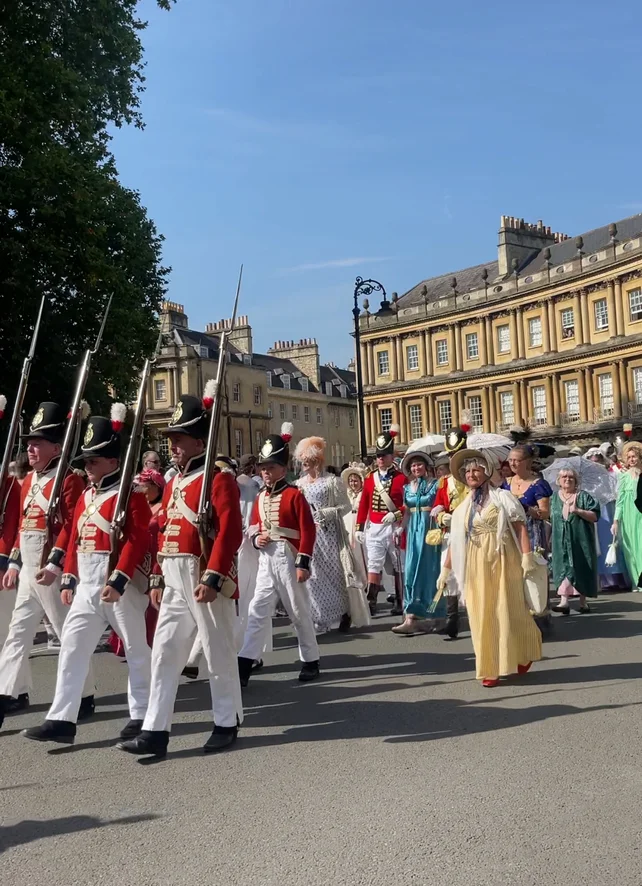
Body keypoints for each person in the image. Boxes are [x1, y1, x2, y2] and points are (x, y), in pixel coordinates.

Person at [118, 393, 244, 759]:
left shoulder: (218, 480)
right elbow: (165, 530)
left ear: (199, 441)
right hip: (173, 573)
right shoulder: (174, 482)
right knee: (165, 652)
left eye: (179, 438)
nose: (172, 445)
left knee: (218, 652)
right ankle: (155, 730)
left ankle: (226, 720)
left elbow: (229, 532)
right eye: (171, 438)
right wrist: (157, 576)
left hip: (201, 571)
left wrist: (214, 575)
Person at [23, 408, 153, 745]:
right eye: (87, 460)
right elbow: (71, 534)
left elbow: (138, 539)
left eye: (94, 461)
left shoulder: (131, 496)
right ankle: (61, 718)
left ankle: (142, 715)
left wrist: (119, 578)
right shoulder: (87, 495)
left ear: (112, 461)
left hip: (117, 587)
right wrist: (63, 573)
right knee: (72, 649)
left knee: (136, 651)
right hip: (86, 586)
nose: (87, 466)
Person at [0, 402, 95, 730]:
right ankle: (4, 693)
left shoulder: (68, 481)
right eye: (29, 442)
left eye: (38, 442)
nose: (31, 447)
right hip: (27, 568)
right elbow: (22, 526)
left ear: (56, 447)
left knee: (67, 634)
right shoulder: (27, 481)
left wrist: (56, 565)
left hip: (50, 571)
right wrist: (14, 563)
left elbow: (73, 527)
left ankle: (84, 695)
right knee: (16, 633)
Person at [438, 448, 542, 687]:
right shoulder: (463, 507)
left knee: (509, 608)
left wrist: (526, 556)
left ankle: (523, 650)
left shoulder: (502, 498)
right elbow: (456, 540)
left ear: (486, 472)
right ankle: (490, 667)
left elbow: (519, 528)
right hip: (475, 561)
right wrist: (446, 570)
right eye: (468, 471)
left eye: (476, 470)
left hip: (504, 557)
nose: (472, 474)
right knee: (480, 613)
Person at [237, 424, 320, 686]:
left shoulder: (294, 495)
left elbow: (307, 530)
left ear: (283, 469)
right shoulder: (261, 496)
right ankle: (244, 663)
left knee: (298, 611)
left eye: (271, 467)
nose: (266, 472)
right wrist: (255, 538)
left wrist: (303, 561)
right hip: (266, 558)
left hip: (288, 556)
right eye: (263, 468)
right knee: (257, 610)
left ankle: (310, 659)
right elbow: (254, 525)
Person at [295, 436, 353, 632]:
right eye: (301, 458)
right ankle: (317, 617)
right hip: (308, 535)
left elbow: (345, 506)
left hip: (328, 535)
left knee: (333, 575)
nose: (303, 462)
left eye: (306, 458)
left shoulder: (332, 482)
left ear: (316, 460)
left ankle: (343, 612)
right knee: (312, 577)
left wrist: (327, 513)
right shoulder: (299, 484)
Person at [355, 425, 406, 616]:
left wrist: (398, 515)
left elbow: (407, 503)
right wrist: (360, 527)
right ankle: (372, 601)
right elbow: (364, 504)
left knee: (398, 564)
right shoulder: (370, 479)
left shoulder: (402, 478)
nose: (380, 459)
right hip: (375, 527)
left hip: (394, 526)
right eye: (378, 456)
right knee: (374, 564)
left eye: (384, 455)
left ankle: (401, 600)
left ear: (392, 457)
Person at [392, 449, 444, 636]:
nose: (416, 467)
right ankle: (411, 616)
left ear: (426, 466)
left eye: (419, 464)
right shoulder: (407, 488)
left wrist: (440, 508)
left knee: (431, 571)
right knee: (411, 571)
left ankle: (437, 614)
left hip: (430, 528)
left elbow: (443, 502)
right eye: (413, 465)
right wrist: (400, 528)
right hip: (414, 529)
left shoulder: (436, 484)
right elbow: (407, 511)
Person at [431, 427, 470, 640]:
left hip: (473, 533)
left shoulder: (475, 476)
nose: (455, 459)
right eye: (452, 455)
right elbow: (437, 506)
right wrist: (441, 517)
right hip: (450, 533)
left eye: (458, 454)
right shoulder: (444, 482)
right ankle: (451, 620)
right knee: (448, 575)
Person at [0, 451, 30, 713]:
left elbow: (11, 524)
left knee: (7, 632)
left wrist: (4, 562)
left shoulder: (6, 483)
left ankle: (16, 691)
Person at [550, 467, 600, 614]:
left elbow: (595, 516)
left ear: (576, 481)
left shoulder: (584, 496)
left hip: (581, 539)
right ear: (558, 481)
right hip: (560, 540)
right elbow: (549, 519)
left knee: (581, 566)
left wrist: (578, 511)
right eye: (564, 477)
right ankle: (564, 602)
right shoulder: (553, 498)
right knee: (563, 566)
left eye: (571, 477)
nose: (567, 479)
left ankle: (583, 602)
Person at [584, 448, 629, 591]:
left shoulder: (612, 475)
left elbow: (617, 493)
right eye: (593, 462)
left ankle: (620, 578)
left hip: (610, 512)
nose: (596, 464)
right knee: (600, 547)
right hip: (597, 515)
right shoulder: (588, 480)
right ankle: (606, 580)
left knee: (614, 542)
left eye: (598, 461)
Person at [503, 443, 553, 556]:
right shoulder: (505, 483)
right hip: (510, 531)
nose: (512, 463)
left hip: (532, 533)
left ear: (527, 461)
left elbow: (545, 514)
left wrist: (529, 509)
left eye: (516, 460)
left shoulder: (538, 484)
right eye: (510, 460)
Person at [613, 441, 642, 592]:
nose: (631, 459)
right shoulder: (624, 477)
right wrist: (616, 520)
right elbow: (620, 500)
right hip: (628, 515)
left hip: (640, 514)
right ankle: (635, 580)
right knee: (630, 548)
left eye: (634, 456)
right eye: (629, 457)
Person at [341, 463, 368, 589]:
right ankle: (356, 581)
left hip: (361, 524)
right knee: (351, 554)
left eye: (355, 480)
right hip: (348, 524)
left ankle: (367, 582)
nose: (353, 483)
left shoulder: (364, 494)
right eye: (351, 481)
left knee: (364, 554)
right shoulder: (347, 494)